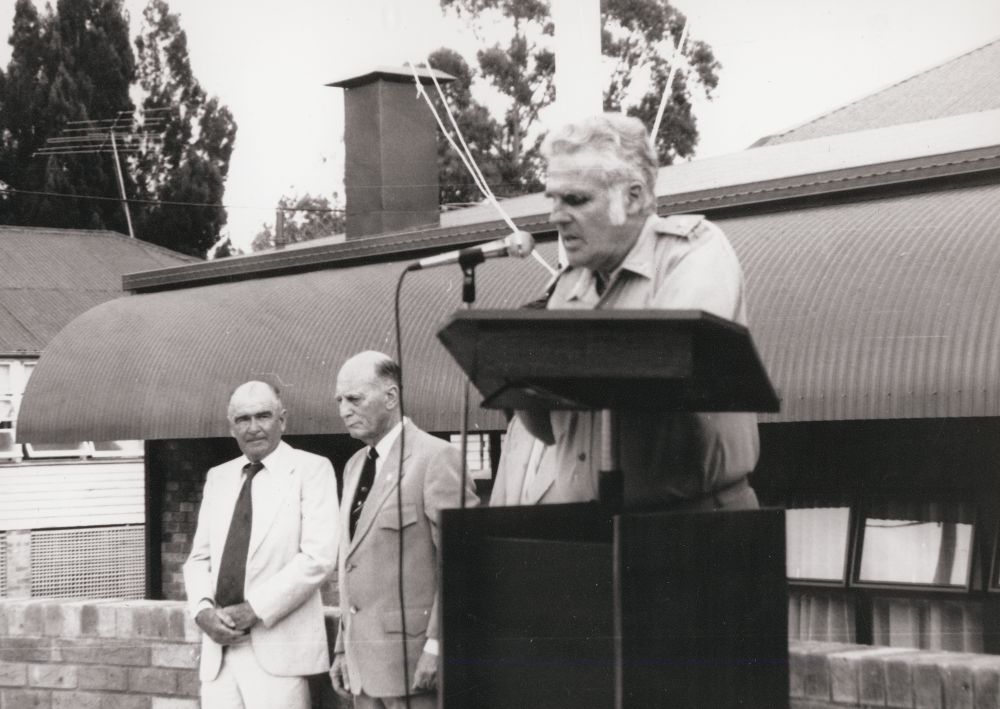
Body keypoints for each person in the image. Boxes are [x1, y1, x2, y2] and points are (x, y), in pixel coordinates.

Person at [490, 113, 760, 510]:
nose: (556, 216)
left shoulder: (692, 252)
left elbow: (667, 369)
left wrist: (551, 359)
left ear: (632, 197)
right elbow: (551, 432)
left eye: (576, 199)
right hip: (593, 530)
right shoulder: (568, 284)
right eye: (554, 199)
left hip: (691, 527)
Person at [329, 351, 478, 709]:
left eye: (354, 399)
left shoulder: (436, 458)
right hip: (362, 671)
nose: (344, 410)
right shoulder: (353, 467)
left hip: (414, 667)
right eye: (339, 401)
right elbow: (353, 564)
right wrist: (341, 648)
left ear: (391, 397)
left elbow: (464, 560)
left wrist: (438, 646)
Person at [184, 380, 339, 709]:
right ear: (231, 428)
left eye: (263, 416)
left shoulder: (311, 470)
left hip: (279, 653)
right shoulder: (219, 477)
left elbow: (318, 558)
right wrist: (201, 612)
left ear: (283, 420)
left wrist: (253, 610)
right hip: (219, 652)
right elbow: (199, 559)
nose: (253, 428)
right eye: (243, 419)